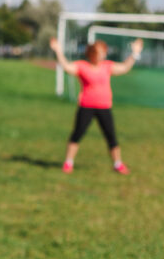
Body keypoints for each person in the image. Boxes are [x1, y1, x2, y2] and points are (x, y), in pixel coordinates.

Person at [49, 37, 143, 175]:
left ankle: (117, 164)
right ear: (92, 53)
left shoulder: (107, 66)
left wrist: (135, 53)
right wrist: (58, 50)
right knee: (77, 134)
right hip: (86, 106)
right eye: (100, 52)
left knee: (111, 136)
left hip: (104, 107)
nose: (103, 54)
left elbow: (124, 67)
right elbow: (67, 67)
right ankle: (68, 162)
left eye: (104, 51)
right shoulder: (82, 66)